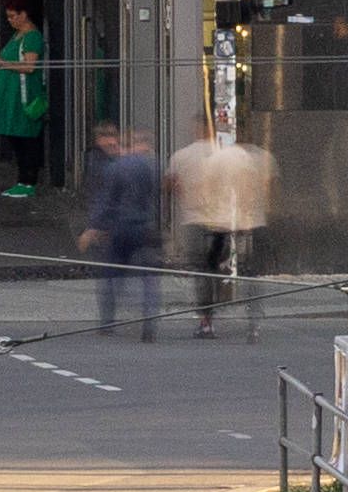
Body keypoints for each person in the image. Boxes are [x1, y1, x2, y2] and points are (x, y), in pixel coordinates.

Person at [174, 120, 272, 337]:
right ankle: (253, 322)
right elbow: (269, 189)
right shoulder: (263, 157)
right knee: (252, 274)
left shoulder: (219, 158)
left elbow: (210, 190)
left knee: (207, 271)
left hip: (220, 222)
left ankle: (208, 319)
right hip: (254, 221)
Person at [81, 122, 168, 341]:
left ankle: (107, 322)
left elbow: (107, 201)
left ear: (126, 144)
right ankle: (149, 322)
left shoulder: (115, 168)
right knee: (149, 277)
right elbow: (161, 195)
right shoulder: (155, 166)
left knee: (111, 275)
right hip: (145, 226)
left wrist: (93, 227)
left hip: (120, 228)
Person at [0, 1, 51, 202]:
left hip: (23, 97)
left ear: (24, 14)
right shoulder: (18, 36)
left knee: (26, 138)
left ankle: (28, 181)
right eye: (8, 17)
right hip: (11, 94)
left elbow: (29, 66)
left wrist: (3, 63)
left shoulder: (32, 37)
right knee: (17, 137)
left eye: (13, 16)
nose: (10, 20)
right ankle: (22, 180)